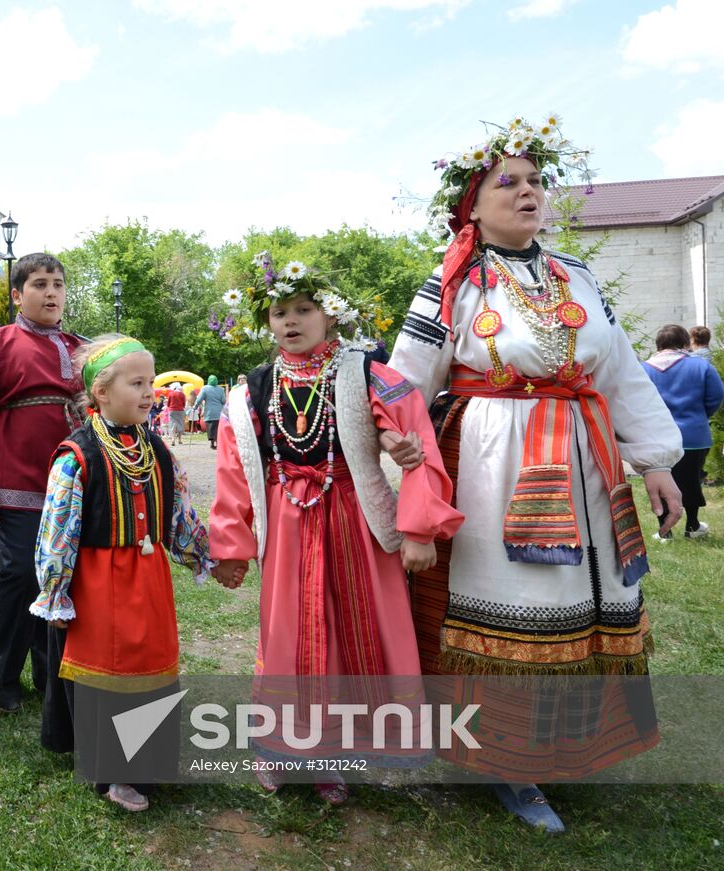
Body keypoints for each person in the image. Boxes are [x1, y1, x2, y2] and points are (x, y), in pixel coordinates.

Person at [389, 117, 683, 831]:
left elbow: (618, 372)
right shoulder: (453, 282)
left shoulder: (574, 276)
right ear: (473, 204)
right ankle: (507, 764)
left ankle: (559, 744)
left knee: (580, 601)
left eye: (534, 181)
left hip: (584, 462)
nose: (527, 193)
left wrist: (655, 463)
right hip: (493, 465)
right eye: (507, 183)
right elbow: (401, 382)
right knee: (516, 604)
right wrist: (402, 460)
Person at [209, 259, 463, 805]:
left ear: (330, 317)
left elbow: (416, 442)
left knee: (352, 630)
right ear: (267, 322)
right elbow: (234, 470)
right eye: (280, 313)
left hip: (354, 516)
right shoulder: (252, 390)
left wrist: (418, 528)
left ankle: (334, 756)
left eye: (304, 310)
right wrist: (232, 545)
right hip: (286, 521)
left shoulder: (367, 374)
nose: (291, 321)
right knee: (290, 635)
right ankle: (279, 749)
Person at [31, 335, 217, 812]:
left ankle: (149, 760)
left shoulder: (157, 448)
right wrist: (54, 592)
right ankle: (114, 773)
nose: (149, 391)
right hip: (98, 583)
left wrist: (207, 555)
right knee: (108, 676)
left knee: (151, 668)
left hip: (148, 577)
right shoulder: (77, 455)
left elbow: (179, 516)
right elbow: (57, 530)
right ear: (101, 392)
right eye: (137, 383)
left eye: (151, 381)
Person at [0, 253, 83, 713]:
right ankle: (4, 676)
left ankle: (50, 674)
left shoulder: (82, 347)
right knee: (20, 576)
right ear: (16, 295)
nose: (51, 293)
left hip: (70, 489)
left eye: (58, 284)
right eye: (40, 284)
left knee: (63, 577)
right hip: (14, 484)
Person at [642, 324, 723, 540]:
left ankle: (664, 531)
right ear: (685, 342)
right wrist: (699, 415)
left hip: (656, 436)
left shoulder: (644, 368)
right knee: (691, 481)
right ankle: (693, 526)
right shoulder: (701, 366)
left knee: (660, 483)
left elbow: (637, 402)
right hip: (694, 435)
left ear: (659, 344)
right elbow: (716, 395)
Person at [193, 375, 227, 450]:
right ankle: (218, 443)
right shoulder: (221, 389)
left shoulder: (205, 388)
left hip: (209, 412)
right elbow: (224, 401)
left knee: (210, 428)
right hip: (219, 412)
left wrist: (195, 406)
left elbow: (199, 399)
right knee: (218, 428)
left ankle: (212, 443)